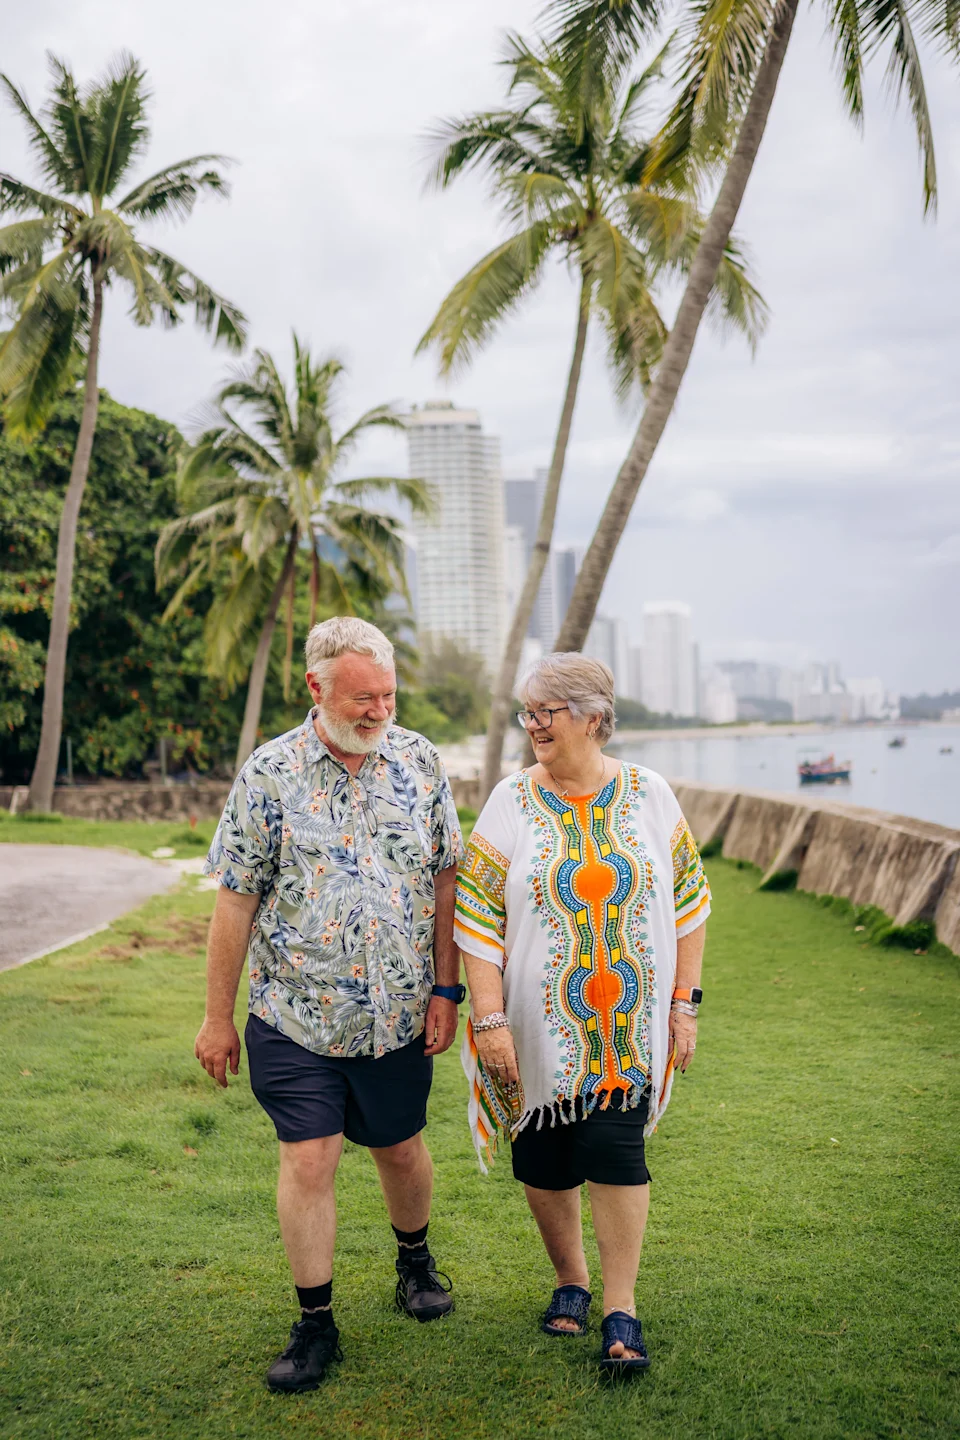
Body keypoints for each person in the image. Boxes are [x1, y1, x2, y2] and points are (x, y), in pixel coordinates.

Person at [195, 617, 465, 1393]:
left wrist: (446, 988)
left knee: (401, 1148)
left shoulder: (419, 760)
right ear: (316, 688)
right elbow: (235, 902)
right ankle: (315, 1325)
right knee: (308, 1158)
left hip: (400, 1014)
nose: (379, 711)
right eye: (361, 698)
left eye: (387, 695)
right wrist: (218, 1018)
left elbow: (446, 880)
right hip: (295, 1017)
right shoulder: (270, 772)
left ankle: (414, 1263)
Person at [455, 653, 709, 1374]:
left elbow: (690, 904)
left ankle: (620, 1309)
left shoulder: (649, 793)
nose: (533, 725)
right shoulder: (510, 799)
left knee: (615, 1152)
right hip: (532, 1029)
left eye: (547, 712)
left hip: (629, 1026)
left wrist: (684, 1006)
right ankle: (571, 1279)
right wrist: (490, 1019)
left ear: (594, 718)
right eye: (527, 713)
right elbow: (474, 914)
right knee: (543, 1157)